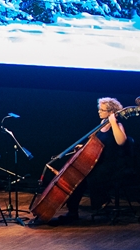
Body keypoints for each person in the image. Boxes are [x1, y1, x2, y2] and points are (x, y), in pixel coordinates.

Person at [46, 97, 131, 226]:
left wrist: (113, 122)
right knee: (77, 178)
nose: (99, 112)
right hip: (97, 161)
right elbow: (95, 144)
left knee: (87, 176)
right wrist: (84, 147)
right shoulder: (102, 124)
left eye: (102, 110)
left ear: (111, 112)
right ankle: (72, 212)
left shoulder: (118, 125)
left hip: (110, 164)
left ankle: (102, 200)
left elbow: (121, 141)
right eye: (99, 109)